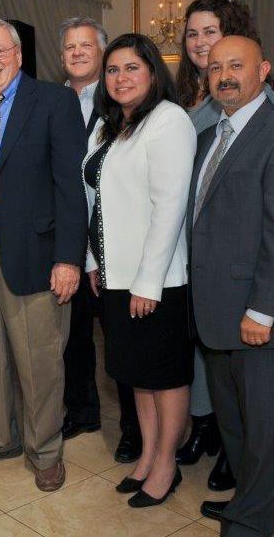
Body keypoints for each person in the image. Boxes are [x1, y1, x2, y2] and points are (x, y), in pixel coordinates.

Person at [189, 35, 274, 535]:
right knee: (238, 429)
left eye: (237, 65)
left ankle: (252, 523)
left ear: (263, 69)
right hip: (216, 315)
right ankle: (265, 503)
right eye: (216, 67)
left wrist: (263, 311)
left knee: (268, 433)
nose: (224, 75)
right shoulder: (208, 140)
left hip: (263, 319)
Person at [0, 18, 87, 492]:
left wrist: (68, 257)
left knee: (38, 356)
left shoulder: (54, 102)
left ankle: (45, 449)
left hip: (33, 249)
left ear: (19, 54)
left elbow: (72, 187)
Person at [173, 0, 274, 492]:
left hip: (233, 252)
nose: (200, 43)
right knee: (201, 342)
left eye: (210, 32)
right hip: (191, 243)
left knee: (233, 357)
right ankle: (205, 425)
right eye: (192, 35)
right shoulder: (187, 93)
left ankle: (230, 445)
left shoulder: (256, 100)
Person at [83, 33, 195, 507]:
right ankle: (148, 454)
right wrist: (94, 261)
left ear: (153, 71)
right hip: (115, 276)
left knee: (164, 377)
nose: (121, 78)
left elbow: (169, 207)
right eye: (112, 70)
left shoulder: (169, 121)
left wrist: (148, 282)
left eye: (132, 68)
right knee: (137, 376)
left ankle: (167, 464)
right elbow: (94, 200)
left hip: (156, 281)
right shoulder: (108, 126)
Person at [57, 17, 143, 464]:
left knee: (121, 341)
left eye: (86, 45)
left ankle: (134, 429)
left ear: (103, 53)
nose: (76, 53)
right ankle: (83, 411)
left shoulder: (123, 102)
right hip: (65, 242)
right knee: (71, 339)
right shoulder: (49, 100)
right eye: (69, 46)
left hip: (113, 244)